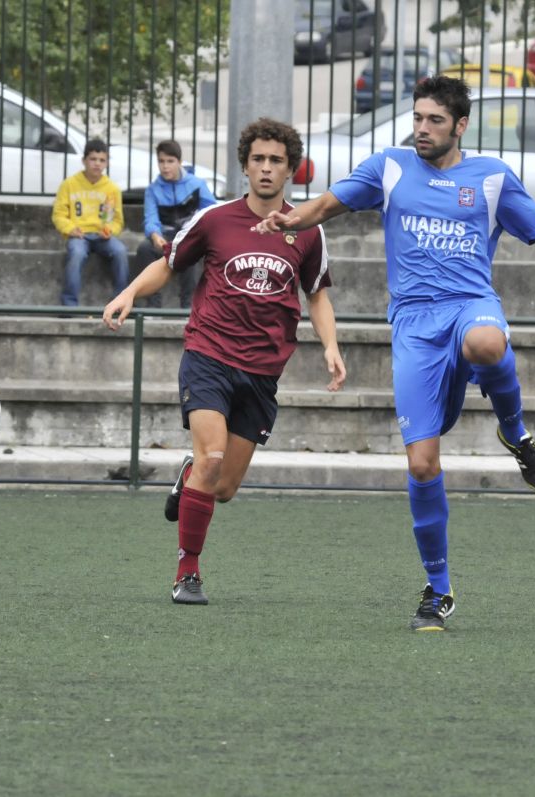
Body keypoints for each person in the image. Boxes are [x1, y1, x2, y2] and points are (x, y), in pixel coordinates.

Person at [254, 76, 535, 631]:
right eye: (417, 117)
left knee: (488, 341)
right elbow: (329, 202)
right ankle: (438, 590)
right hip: (414, 325)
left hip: (470, 304)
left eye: (434, 120)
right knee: (420, 464)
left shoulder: (490, 177)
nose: (421, 128)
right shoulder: (389, 166)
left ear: (460, 125)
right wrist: (295, 219)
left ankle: (515, 431)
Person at [102, 118, 347, 606]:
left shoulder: (306, 231)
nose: (266, 168)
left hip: (261, 374)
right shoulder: (214, 219)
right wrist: (129, 291)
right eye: (258, 159)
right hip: (208, 356)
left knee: (224, 486)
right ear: (245, 165)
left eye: (276, 160)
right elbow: (168, 264)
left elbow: (316, 294)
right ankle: (187, 573)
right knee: (212, 459)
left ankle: (191, 472)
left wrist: (331, 346)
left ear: (290, 170)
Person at [133, 140, 218, 309]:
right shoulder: (153, 190)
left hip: (190, 234)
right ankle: (153, 307)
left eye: (170, 161)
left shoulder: (197, 185)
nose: (165, 166)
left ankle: (188, 307)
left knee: (188, 250)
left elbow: (211, 212)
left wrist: (198, 232)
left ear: (179, 162)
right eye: (161, 161)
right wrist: (155, 236)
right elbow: (150, 218)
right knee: (144, 248)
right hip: (165, 235)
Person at [52, 139, 129, 306]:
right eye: (93, 159)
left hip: (103, 237)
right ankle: (69, 305)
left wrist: (109, 230)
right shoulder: (69, 184)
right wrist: (70, 229)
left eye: (102, 160)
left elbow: (117, 220)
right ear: (84, 160)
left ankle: (121, 302)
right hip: (79, 236)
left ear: (107, 163)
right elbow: (59, 214)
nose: (97, 164)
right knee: (76, 254)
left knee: (120, 251)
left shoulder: (112, 188)